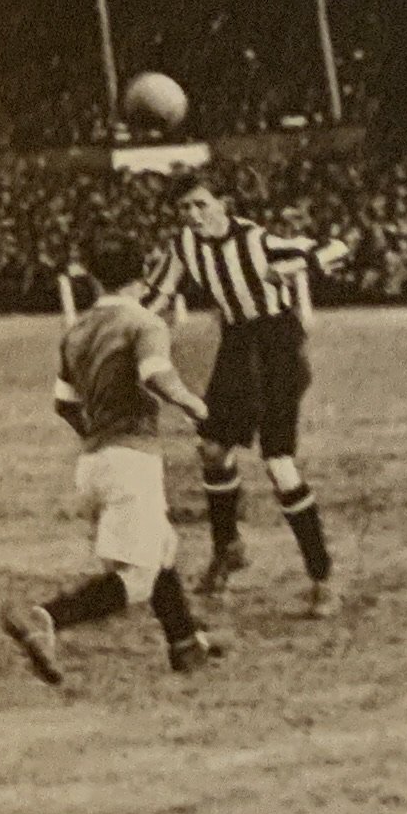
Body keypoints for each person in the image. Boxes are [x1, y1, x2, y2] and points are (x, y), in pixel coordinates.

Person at [139, 177, 350, 613]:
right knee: (213, 449)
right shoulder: (184, 246)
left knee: (279, 464)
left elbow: (336, 249)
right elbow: (156, 295)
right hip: (236, 345)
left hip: (278, 345)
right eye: (185, 209)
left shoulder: (258, 240)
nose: (193, 216)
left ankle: (322, 575)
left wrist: (292, 269)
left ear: (223, 203)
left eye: (200, 205)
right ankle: (228, 549)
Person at [6, 266, 224, 681]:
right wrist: (195, 406)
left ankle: (185, 643)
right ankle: (44, 618)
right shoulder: (143, 323)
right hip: (131, 460)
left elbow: (64, 403)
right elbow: (154, 374)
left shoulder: (78, 330)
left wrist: (98, 435)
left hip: (93, 464)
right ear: (141, 281)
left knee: (161, 547)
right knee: (138, 578)